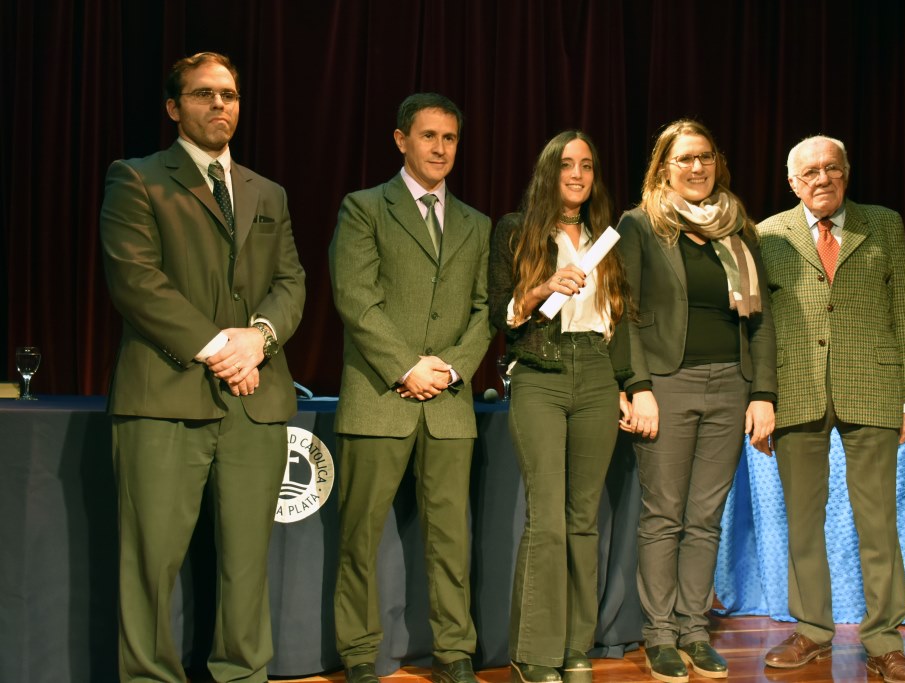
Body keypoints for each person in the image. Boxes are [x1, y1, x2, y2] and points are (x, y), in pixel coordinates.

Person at [99, 52, 306, 682]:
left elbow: (291, 283)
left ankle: (242, 674)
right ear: (174, 107)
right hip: (164, 398)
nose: (220, 104)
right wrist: (224, 349)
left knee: (246, 565)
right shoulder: (136, 178)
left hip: (255, 404)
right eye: (204, 94)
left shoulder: (268, 192)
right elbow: (137, 282)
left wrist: (259, 339)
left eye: (230, 95)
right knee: (151, 564)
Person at [328, 93, 493, 683]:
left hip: (448, 403)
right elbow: (356, 298)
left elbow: (484, 310)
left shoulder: (477, 224)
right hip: (379, 397)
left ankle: (455, 651)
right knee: (360, 536)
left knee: (451, 539)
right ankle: (358, 654)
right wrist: (406, 367)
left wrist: (450, 369)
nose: (440, 148)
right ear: (401, 140)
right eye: (429, 136)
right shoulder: (364, 208)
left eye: (449, 138)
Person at [757, 135, 905, 683]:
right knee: (803, 520)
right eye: (809, 172)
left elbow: (903, 310)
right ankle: (811, 630)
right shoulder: (767, 234)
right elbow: (758, 327)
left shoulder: (884, 224)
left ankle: (885, 642)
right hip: (796, 388)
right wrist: (760, 398)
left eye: (831, 168)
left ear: (846, 173)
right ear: (792, 183)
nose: (821, 178)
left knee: (878, 520)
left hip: (872, 385)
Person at [617, 119, 776, 682]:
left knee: (705, 517)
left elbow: (761, 321)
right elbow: (624, 312)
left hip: (731, 385)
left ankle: (693, 629)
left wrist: (762, 393)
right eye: (684, 158)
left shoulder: (739, 230)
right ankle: (660, 634)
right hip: (667, 384)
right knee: (664, 514)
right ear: (664, 167)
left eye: (705, 156)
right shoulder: (640, 225)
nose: (696, 167)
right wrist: (637, 385)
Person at [488, 131, 632, 683]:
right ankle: (534, 652)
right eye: (567, 164)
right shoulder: (516, 230)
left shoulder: (607, 238)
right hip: (539, 373)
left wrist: (626, 384)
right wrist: (541, 288)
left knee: (583, 519)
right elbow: (501, 315)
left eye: (587, 166)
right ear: (549, 172)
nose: (577, 174)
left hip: (596, 371)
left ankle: (575, 647)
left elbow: (621, 319)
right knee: (546, 517)